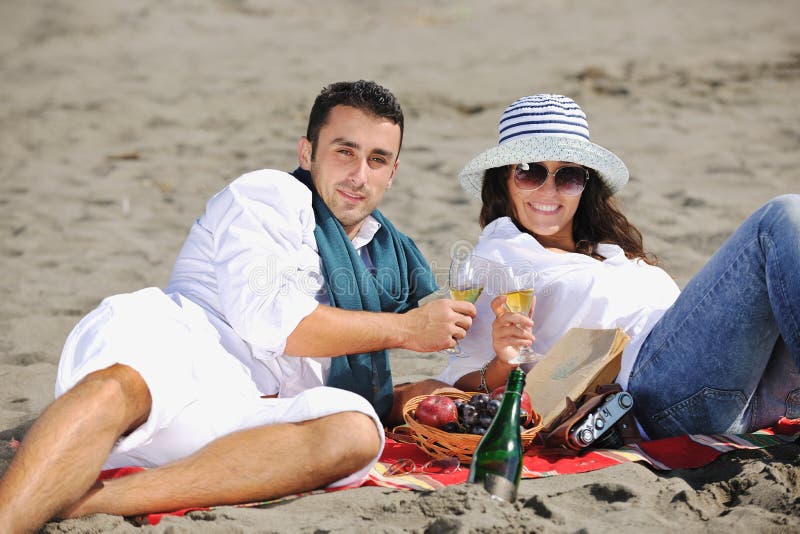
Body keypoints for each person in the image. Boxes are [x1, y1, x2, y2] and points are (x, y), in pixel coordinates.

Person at [0, 80, 475, 533]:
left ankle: (88, 502)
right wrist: (405, 330)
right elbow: (276, 325)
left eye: (377, 160)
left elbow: (387, 387)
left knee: (356, 432)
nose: (359, 175)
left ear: (393, 173)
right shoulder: (270, 195)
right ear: (307, 152)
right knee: (118, 388)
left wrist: (486, 367)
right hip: (182, 346)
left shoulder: (384, 256)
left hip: (240, 411)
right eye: (344, 151)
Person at [438, 93, 799, 440]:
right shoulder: (499, 254)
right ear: (504, 178)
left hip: (746, 395)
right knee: (780, 217)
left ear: (584, 185)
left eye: (568, 176)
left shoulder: (607, 252)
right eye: (530, 172)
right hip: (654, 396)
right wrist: (506, 360)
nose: (549, 190)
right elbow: (459, 384)